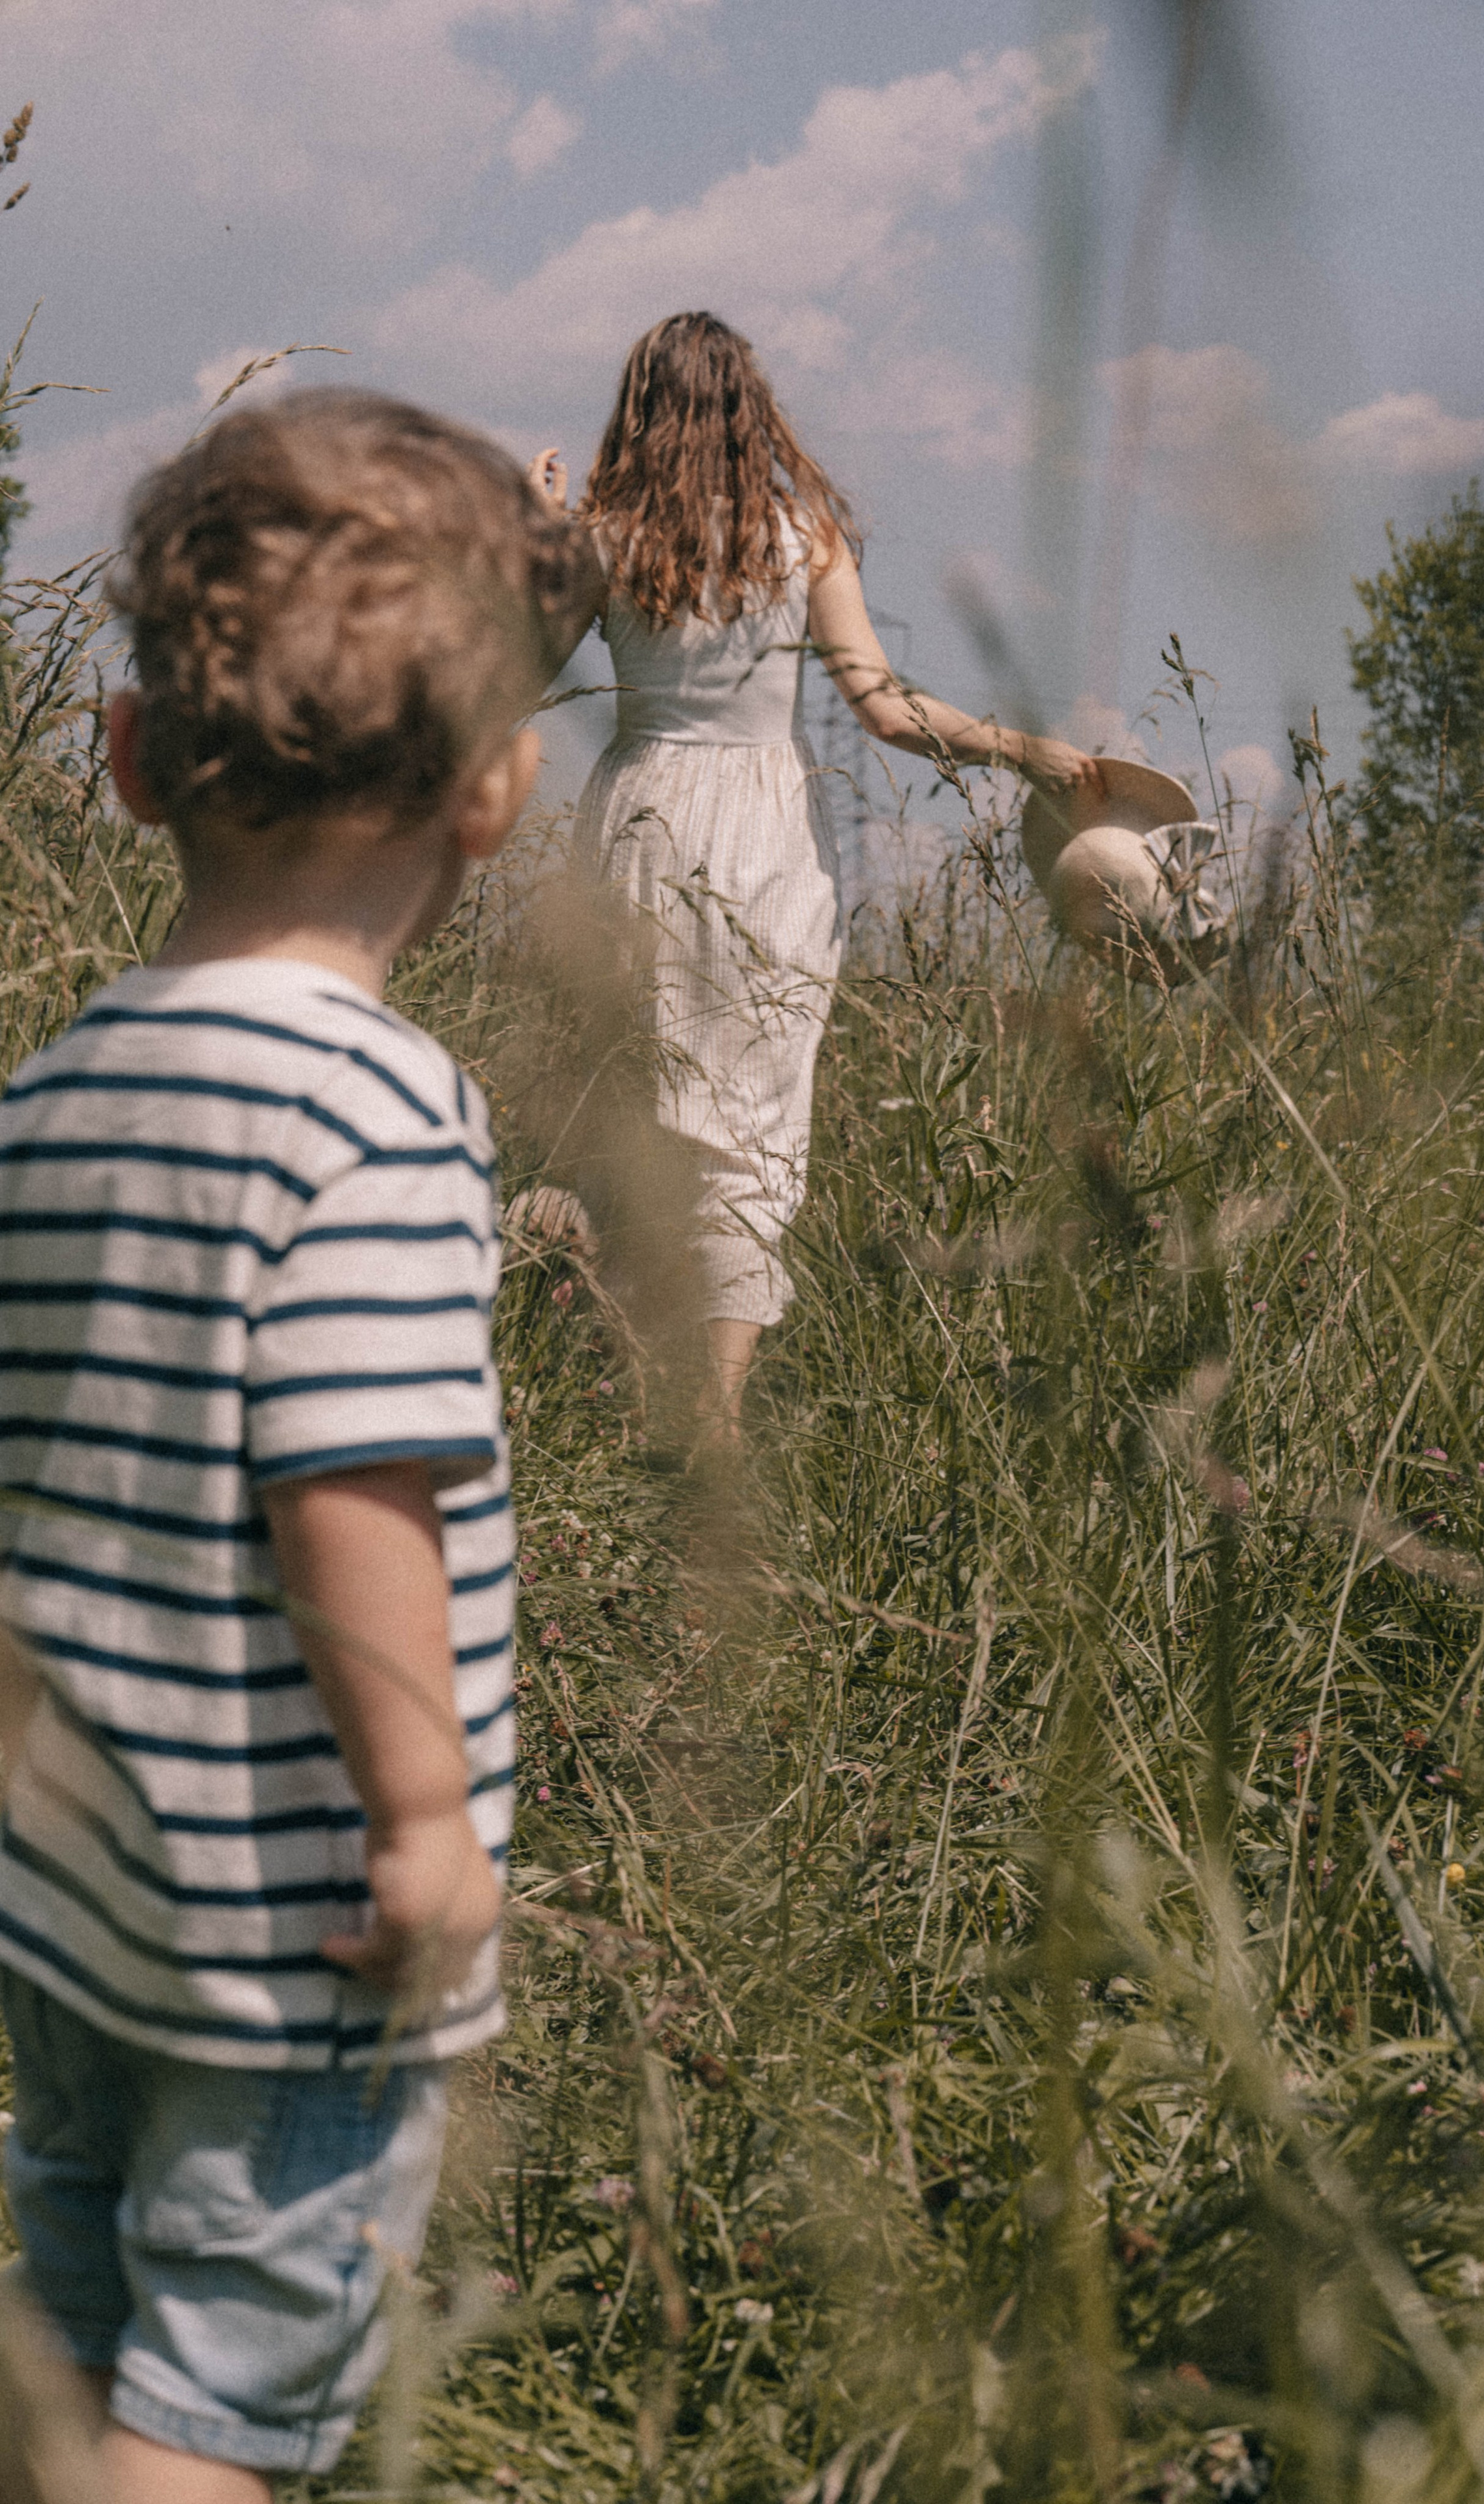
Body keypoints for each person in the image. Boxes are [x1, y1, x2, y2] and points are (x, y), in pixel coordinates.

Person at [0, 390, 599, 2497]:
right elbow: (346, 1479)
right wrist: (425, 1811)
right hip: (289, 1931)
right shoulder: (376, 1111)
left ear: (136, 758)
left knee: (76, 2343)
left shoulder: (59, 1088)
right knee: (223, 2403)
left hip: (73, 1894)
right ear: (499, 792)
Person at [527, 309, 1093, 1440]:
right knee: (751, 1113)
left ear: (639, 412)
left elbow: (527, 668)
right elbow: (883, 710)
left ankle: (627, 1377)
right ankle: (717, 1407)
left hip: (642, 815)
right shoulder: (805, 536)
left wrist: (546, 540)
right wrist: (1017, 746)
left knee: (631, 1096)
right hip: (767, 834)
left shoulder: (604, 541)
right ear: (752, 412)